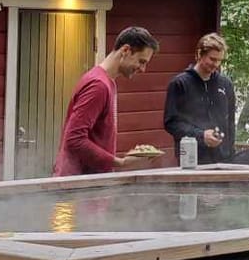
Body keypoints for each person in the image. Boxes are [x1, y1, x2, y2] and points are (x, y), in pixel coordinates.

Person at [54, 26, 159, 176]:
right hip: (79, 186)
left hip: (91, 183)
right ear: (125, 50)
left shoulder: (107, 82)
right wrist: (120, 163)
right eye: (141, 61)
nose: (143, 69)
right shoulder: (98, 85)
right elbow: (74, 139)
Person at [163, 32, 235, 165]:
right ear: (199, 54)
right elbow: (171, 123)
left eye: (219, 60)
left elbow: (230, 122)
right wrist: (201, 135)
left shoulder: (226, 84)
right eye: (212, 59)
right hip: (191, 158)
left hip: (223, 159)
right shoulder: (180, 84)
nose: (216, 64)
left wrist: (231, 153)